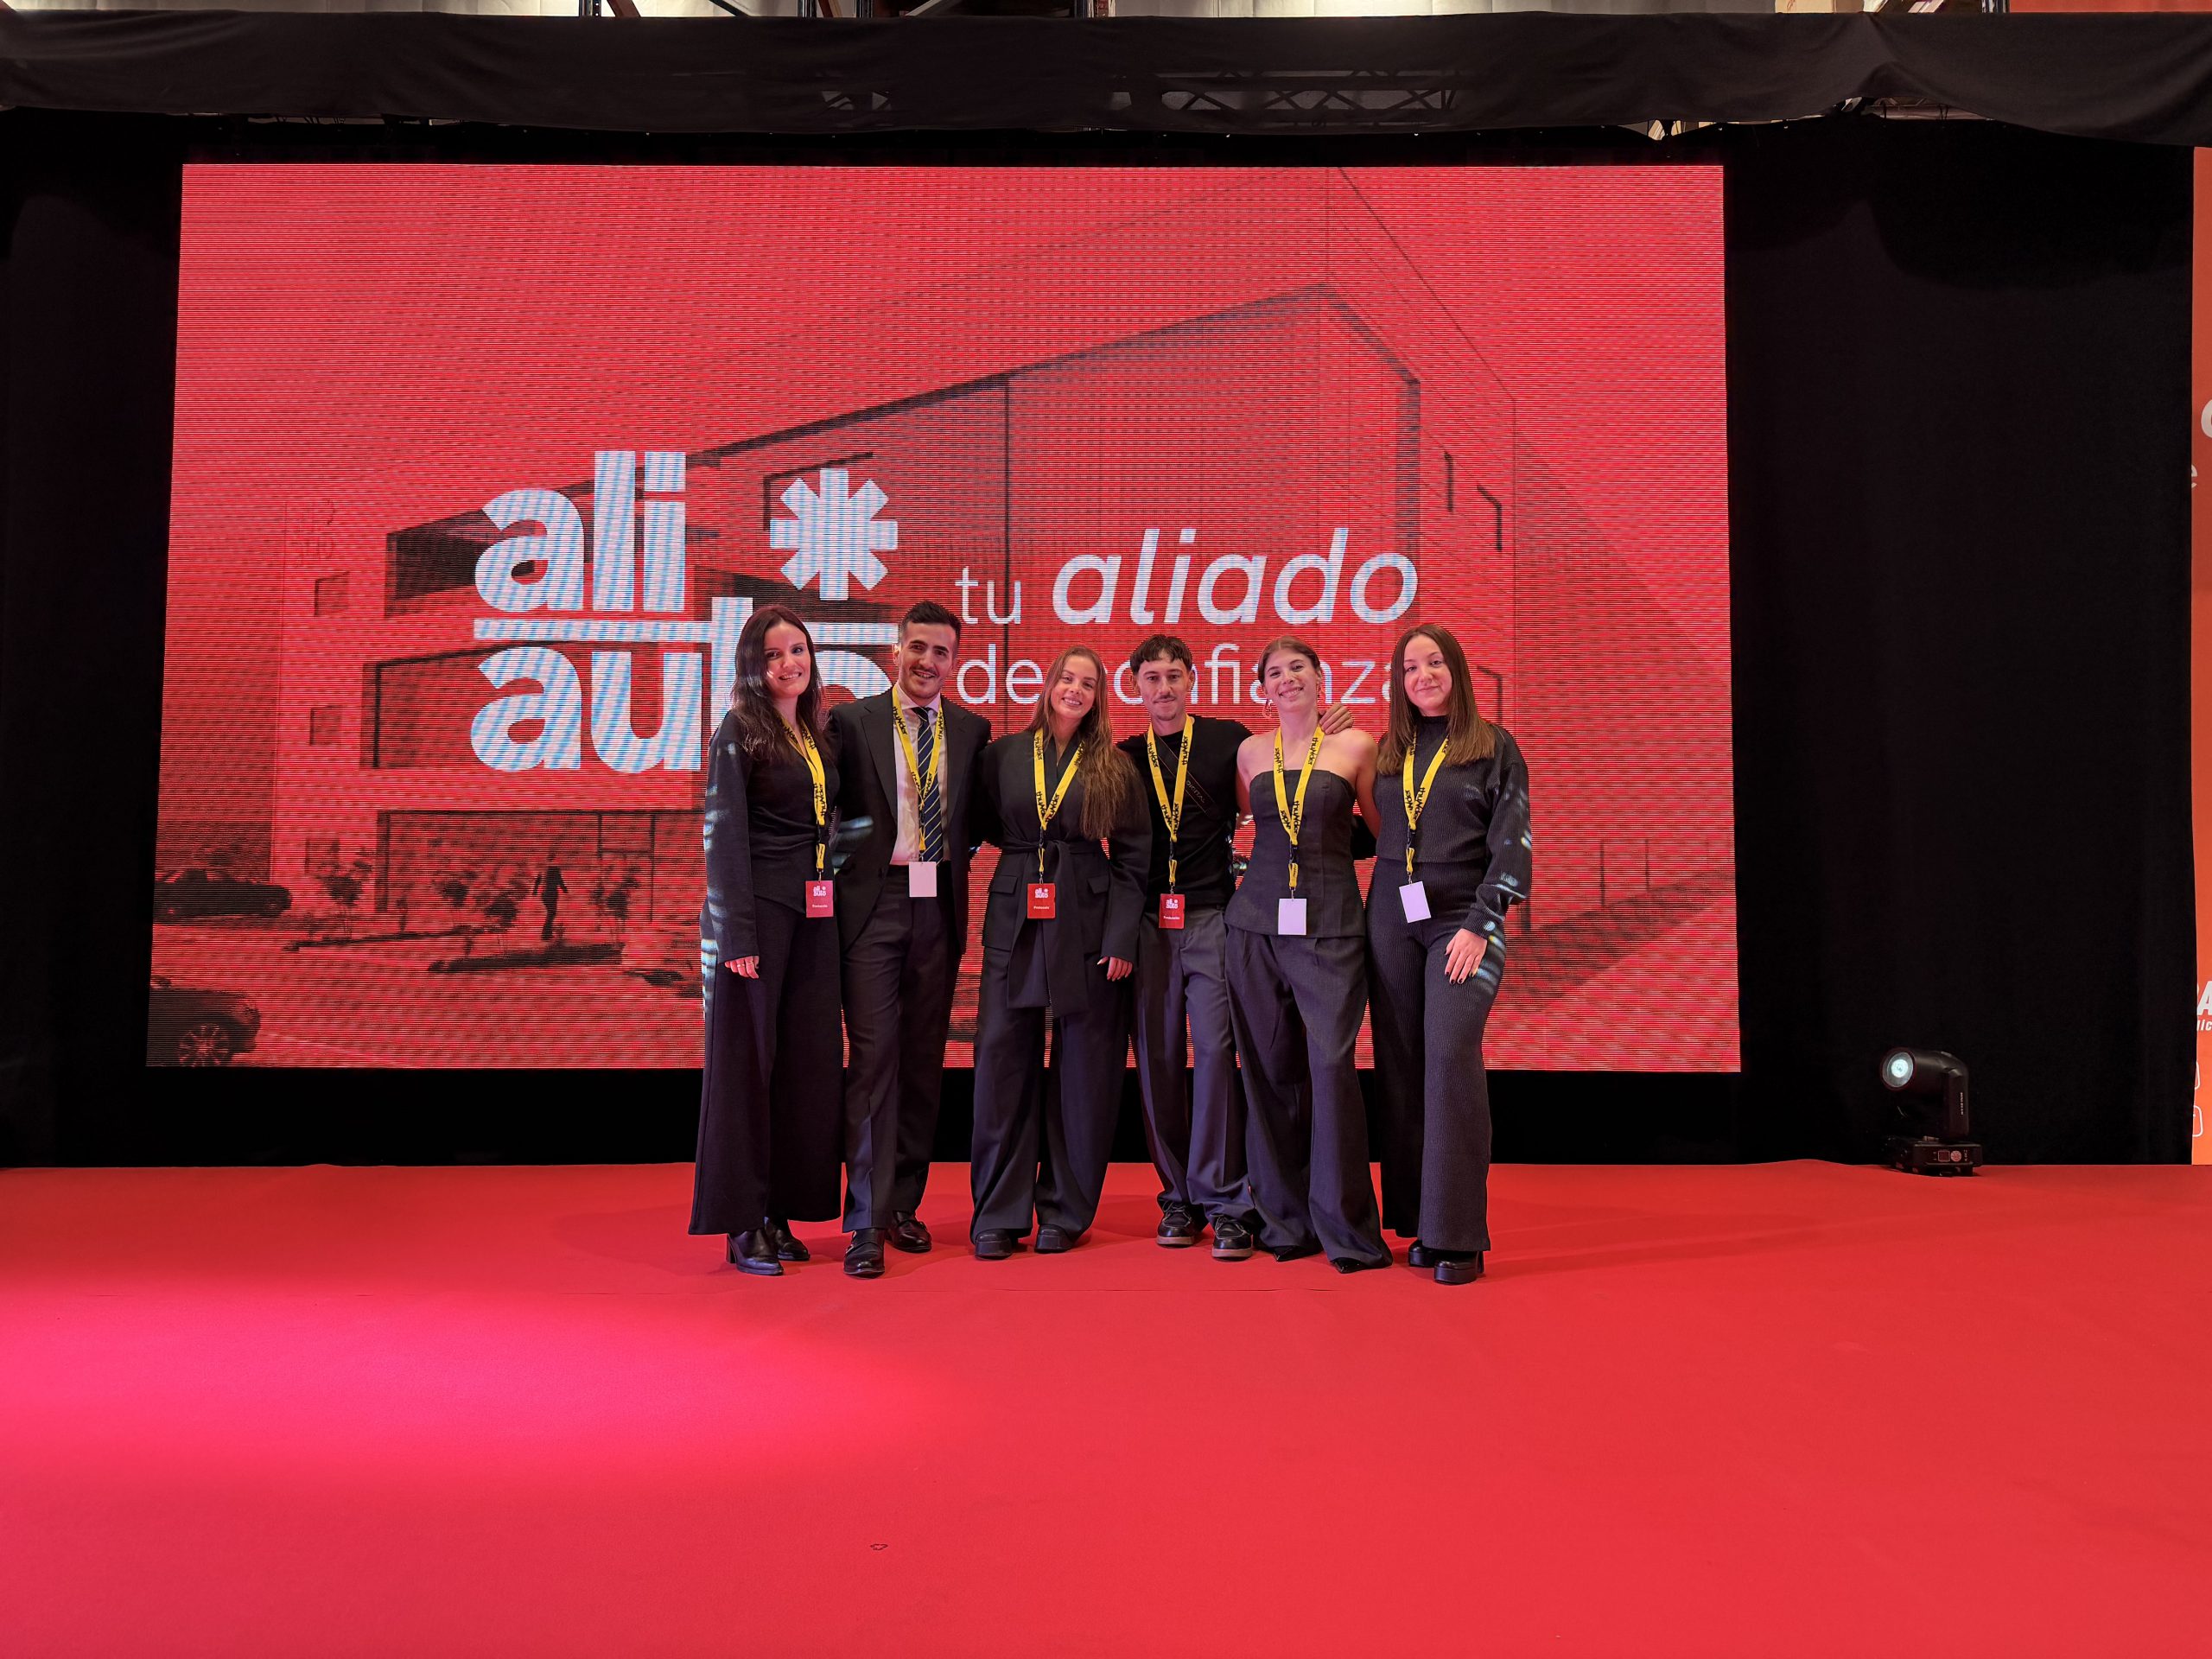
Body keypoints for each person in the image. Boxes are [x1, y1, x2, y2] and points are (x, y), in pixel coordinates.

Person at [1116, 634, 1353, 1261]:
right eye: (1151, 679)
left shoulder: (1230, 743)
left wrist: (1330, 725)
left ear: (1193, 680)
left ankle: (1225, 1201)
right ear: (1134, 687)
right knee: (1158, 1061)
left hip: (1216, 918)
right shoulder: (1122, 757)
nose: (1163, 688)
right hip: (1147, 925)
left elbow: (1285, 795)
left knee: (1219, 1055)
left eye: (1174, 676)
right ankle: (1178, 1198)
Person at [968, 645, 1149, 1258]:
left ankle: (1065, 1212)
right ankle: (997, 1214)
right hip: (1015, 912)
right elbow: (981, 825)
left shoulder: (1115, 767)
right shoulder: (1002, 756)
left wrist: (1121, 938)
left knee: (1085, 1068)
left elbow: (1134, 860)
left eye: (1088, 684)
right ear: (1048, 686)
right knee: (1002, 1060)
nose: (1075, 690)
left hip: (1089, 920)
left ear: (1099, 698)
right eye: (1067, 679)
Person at [829, 600, 993, 1279]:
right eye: (917, 647)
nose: (927, 661)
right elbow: (830, 812)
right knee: (874, 1060)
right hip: (874, 907)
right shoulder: (851, 721)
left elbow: (975, 819)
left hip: (938, 907)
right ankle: (865, 1220)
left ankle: (902, 1204)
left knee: (924, 1061)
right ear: (896, 650)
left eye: (941, 652)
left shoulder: (973, 730)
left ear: (955, 661)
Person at [1366, 624, 1531, 1287]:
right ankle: (1420, 1221)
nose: (1423, 676)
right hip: (1391, 916)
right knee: (1402, 1064)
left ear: (1456, 670)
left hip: (1463, 920)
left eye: (1434, 663)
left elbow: (1512, 841)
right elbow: (1375, 829)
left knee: (1449, 1055)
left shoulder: (1494, 746)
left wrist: (1483, 922)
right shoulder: (1390, 749)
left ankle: (1458, 1235)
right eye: (1410, 668)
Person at [1226, 636, 1392, 1273]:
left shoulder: (1357, 746)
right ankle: (1284, 1222)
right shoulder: (1250, 752)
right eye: (1274, 672)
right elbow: (1252, 826)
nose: (1287, 679)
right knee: (1269, 1074)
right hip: (1254, 928)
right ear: (1262, 689)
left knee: (1330, 1070)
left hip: (1331, 927)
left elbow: (1382, 833)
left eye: (1298, 667)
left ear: (1320, 677)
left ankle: (1346, 1229)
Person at [690, 606, 846, 1276]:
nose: (789, 663)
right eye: (774, 654)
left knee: (803, 1069)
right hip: (757, 921)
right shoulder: (738, 730)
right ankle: (742, 1220)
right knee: (746, 1071)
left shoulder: (817, 734)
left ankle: (777, 1210)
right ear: (753, 665)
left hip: (813, 920)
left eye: (798, 650)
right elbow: (723, 834)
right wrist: (736, 934)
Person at [532, 853, 567, 942]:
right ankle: (545, 935)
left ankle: (548, 934)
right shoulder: (555, 869)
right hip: (551, 894)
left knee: (551, 913)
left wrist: (534, 891)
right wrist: (565, 890)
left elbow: (537, 881)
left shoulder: (543, 869)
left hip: (544, 895)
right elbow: (560, 880)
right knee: (552, 913)